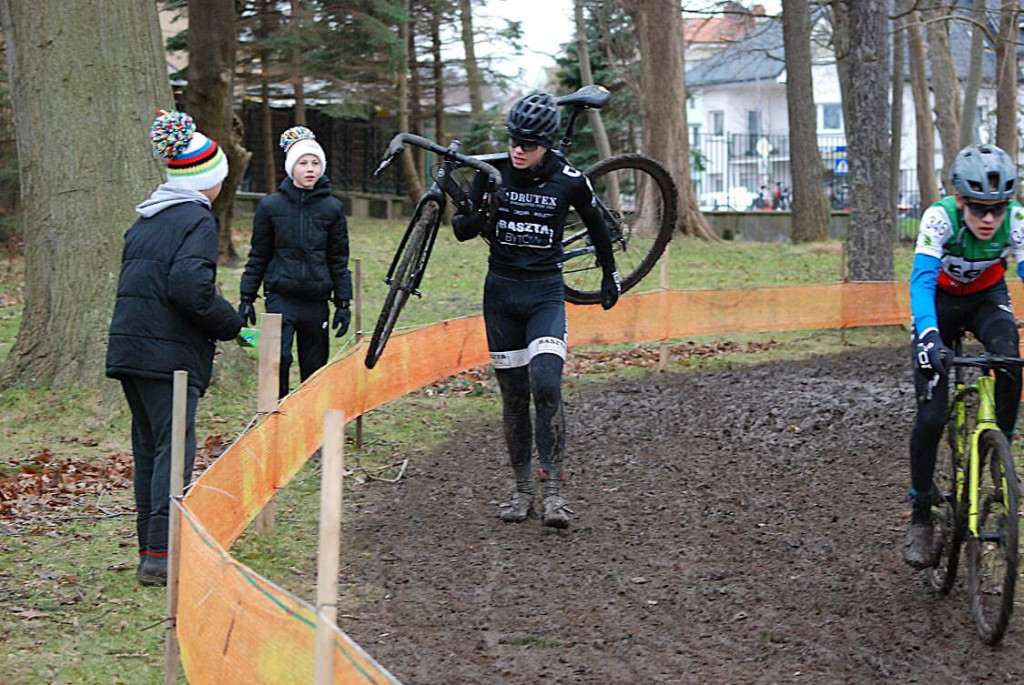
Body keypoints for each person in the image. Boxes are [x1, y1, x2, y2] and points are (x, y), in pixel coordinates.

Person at [451, 92, 620, 529]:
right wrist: (481, 212)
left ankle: (555, 495)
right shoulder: (494, 172)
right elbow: (462, 232)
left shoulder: (569, 179)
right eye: (513, 141)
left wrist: (608, 275)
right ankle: (522, 491)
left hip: (544, 295)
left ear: (546, 143)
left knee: (546, 383)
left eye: (528, 144)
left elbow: (598, 225)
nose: (518, 150)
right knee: (513, 397)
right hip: (501, 297)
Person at [106, 110, 243, 586]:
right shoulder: (196, 221)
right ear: (208, 180)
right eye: (220, 177)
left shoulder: (148, 219)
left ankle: (151, 550)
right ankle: (164, 556)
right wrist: (234, 325)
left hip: (131, 350)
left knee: (149, 449)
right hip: (168, 358)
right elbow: (190, 289)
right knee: (172, 452)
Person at [904, 143, 1024, 568]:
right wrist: (930, 337)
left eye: (997, 208)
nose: (989, 219)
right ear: (960, 200)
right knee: (933, 415)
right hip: (938, 303)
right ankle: (920, 514)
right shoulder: (939, 218)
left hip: (986, 299)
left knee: (1010, 358)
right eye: (978, 208)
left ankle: (998, 451)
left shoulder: (1017, 220)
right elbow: (920, 282)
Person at [239, 126, 352, 398]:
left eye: (315, 163)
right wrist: (246, 297)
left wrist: (343, 303)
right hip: (281, 296)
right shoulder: (270, 207)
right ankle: (274, 417)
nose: (310, 169)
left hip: (316, 300)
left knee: (314, 367)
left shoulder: (332, 209)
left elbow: (338, 259)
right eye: (303, 163)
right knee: (278, 358)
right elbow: (259, 255)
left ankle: (312, 429)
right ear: (291, 168)